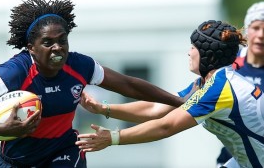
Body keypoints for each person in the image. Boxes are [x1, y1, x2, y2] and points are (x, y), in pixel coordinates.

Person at [0, 0, 185, 168]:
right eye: (48, 42)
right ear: (31, 48)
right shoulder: (14, 71)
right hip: (18, 158)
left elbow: (129, 85)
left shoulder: (80, 66)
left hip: (64, 150)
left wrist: (180, 102)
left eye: (62, 40)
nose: (57, 47)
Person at [76, 20, 264, 168]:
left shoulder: (220, 88)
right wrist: (103, 109)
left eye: (193, 47)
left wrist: (113, 138)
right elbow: (155, 108)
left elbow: (167, 126)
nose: (188, 53)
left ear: (210, 56)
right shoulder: (209, 83)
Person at [216, 1, 264, 167]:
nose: (261, 35)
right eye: (256, 27)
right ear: (246, 29)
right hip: (230, 155)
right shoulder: (228, 62)